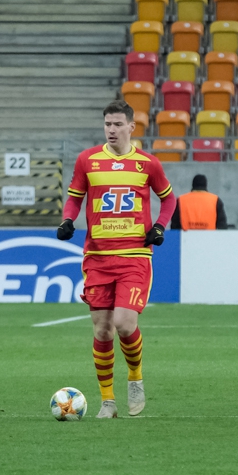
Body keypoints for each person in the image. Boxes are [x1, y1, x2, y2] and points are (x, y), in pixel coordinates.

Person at [56, 100, 176, 419]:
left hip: (134, 255)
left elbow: (168, 199)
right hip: (97, 257)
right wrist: (67, 220)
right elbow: (75, 198)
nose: (112, 129)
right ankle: (107, 401)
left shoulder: (148, 164)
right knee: (102, 331)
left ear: (131, 127)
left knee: (124, 323)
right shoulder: (88, 160)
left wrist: (160, 226)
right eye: (108, 124)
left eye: (118, 124)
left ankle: (135, 377)